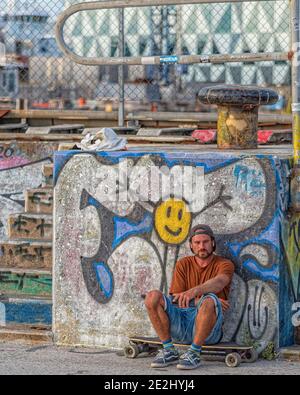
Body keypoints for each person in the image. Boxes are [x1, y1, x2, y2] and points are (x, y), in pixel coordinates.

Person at [144, 224, 235, 370]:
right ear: (191, 245)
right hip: (180, 323)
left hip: (208, 332)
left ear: (212, 243)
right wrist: (202, 299)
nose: (202, 246)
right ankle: (168, 350)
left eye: (205, 242)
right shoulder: (183, 264)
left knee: (210, 300)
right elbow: (176, 300)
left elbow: (220, 282)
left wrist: (194, 293)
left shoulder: (224, 264)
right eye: (197, 243)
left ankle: (194, 353)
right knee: (152, 296)